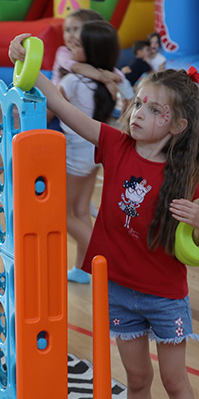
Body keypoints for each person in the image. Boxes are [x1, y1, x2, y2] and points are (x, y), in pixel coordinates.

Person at [12, 37, 199, 399]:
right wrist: (31, 63)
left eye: (154, 110)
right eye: (138, 102)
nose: (138, 112)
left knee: (175, 380)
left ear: (178, 125)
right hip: (118, 289)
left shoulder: (187, 180)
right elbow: (60, 104)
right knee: (137, 379)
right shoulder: (115, 145)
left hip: (164, 295)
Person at [56, 21, 133, 284]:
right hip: (94, 152)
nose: (70, 47)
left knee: (62, 214)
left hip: (76, 153)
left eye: (77, 45)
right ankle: (81, 269)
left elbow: (48, 107)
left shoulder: (73, 81)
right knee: (79, 210)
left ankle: (99, 258)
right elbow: (130, 98)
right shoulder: (112, 79)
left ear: (91, 52)